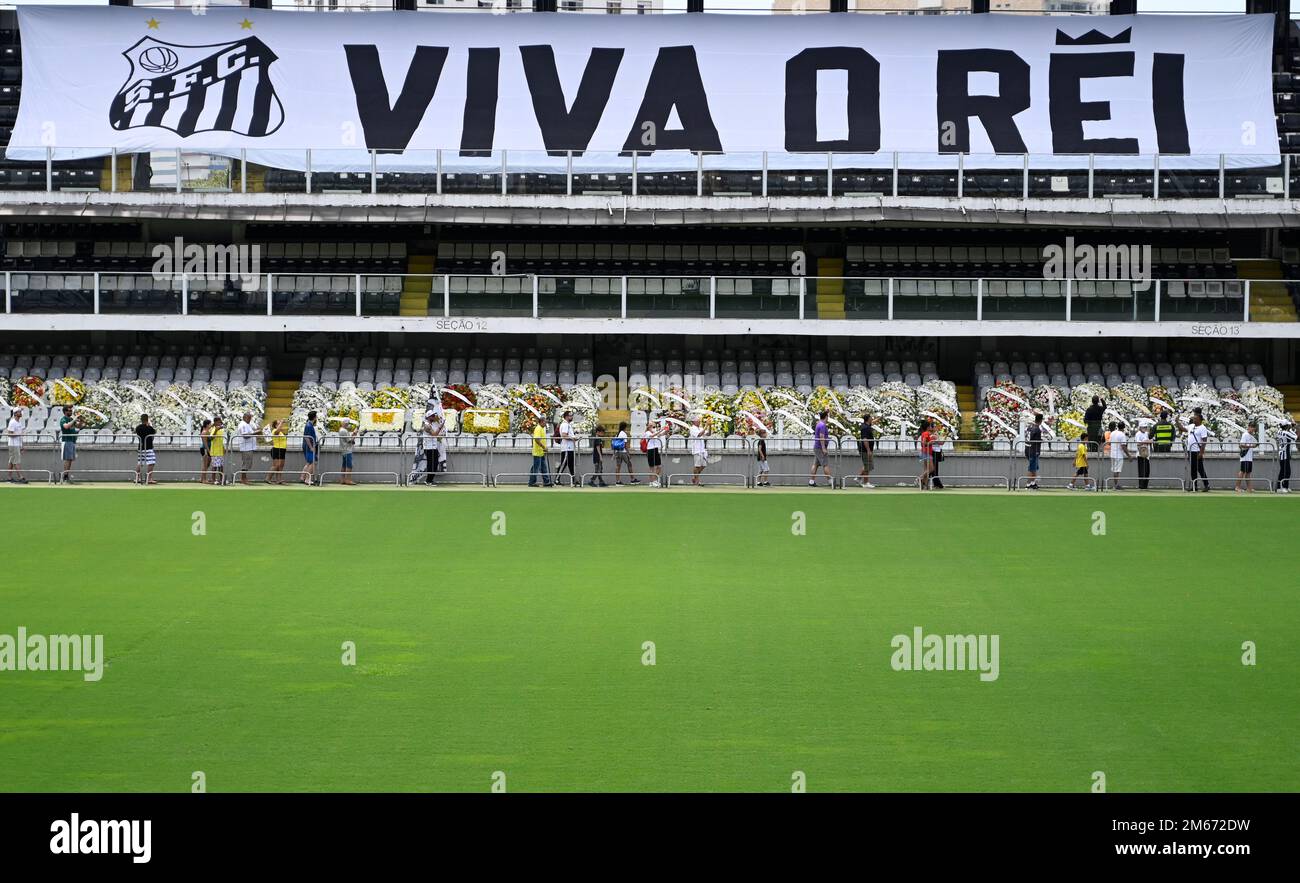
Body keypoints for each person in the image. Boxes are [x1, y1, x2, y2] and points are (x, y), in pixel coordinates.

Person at [1187, 414, 1210, 492]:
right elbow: (1183, 429)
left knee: (1200, 468)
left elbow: (1204, 440)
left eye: (1195, 418)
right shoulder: (1191, 426)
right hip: (1191, 451)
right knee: (1193, 469)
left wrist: (1201, 452)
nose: (1194, 419)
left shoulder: (1203, 428)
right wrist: (1177, 422)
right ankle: (1194, 485)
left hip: (1197, 451)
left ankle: (1206, 485)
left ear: (1200, 419)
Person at [809, 410, 832, 487]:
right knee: (825, 464)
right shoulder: (822, 425)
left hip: (817, 447)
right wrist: (823, 448)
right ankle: (831, 481)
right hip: (820, 448)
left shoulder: (819, 424)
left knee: (815, 464)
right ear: (826, 417)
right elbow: (821, 437)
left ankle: (811, 481)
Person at [134, 413, 157, 485]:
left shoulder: (138, 428)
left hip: (141, 447)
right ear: (147, 419)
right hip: (148, 447)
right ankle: (149, 478)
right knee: (151, 462)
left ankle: (137, 478)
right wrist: (149, 425)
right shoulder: (149, 428)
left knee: (140, 463)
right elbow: (154, 431)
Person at [236, 411, 258, 486]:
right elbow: (245, 436)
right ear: (244, 418)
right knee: (245, 463)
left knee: (247, 463)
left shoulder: (247, 425)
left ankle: (244, 478)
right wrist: (256, 433)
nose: (250, 419)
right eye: (249, 418)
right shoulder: (243, 425)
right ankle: (243, 478)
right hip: (246, 447)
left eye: (250, 418)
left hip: (248, 447)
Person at [6, 408, 27, 484]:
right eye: (19, 411)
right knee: (16, 461)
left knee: (12, 461)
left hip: (17, 444)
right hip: (13, 444)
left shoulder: (19, 422)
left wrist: (22, 445)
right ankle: (20, 477)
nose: (21, 412)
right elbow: (9, 434)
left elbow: (19, 435)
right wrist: (19, 435)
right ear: (15, 413)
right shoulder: (12, 422)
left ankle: (9, 477)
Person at [1235, 421, 1258, 493]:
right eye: (1251, 427)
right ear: (1249, 427)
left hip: (1249, 457)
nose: (1252, 429)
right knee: (1242, 472)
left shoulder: (1251, 436)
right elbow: (1241, 445)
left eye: (1254, 428)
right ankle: (1237, 487)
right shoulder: (1245, 435)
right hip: (1245, 456)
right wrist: (1251, 446)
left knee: (1248, 472)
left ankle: (1249, 488)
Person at [529, 419, 552, 487]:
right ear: (541, 422)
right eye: (545, 422)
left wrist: (544, 447)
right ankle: (532, 482)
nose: (546, 423)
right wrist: (543, 447)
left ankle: (546, 481)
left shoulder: (542, 428)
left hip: (541, 451)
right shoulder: (538, 428)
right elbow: (536, 439)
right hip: (537, 451)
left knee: (543, 467)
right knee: (536, 468)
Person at [1024, 412, 1044, 490]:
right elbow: (1036, 440)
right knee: (1032, 468)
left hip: (1027, 448)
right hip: (1033, 450)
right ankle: (1028, 484)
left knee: (1034, 467)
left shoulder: (1030, 427)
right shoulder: (1037, 429)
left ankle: (1033, 483)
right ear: (1041, 420)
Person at [58, 405, 77, 484]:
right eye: (69, 410)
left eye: (71, 410)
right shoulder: (63, 419)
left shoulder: (71, 419)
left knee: (70, 460)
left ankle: (67, 475)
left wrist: (81, 420)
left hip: (72, 441)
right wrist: (74, 419)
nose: (71, 412)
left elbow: (79, 426)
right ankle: (64, 476)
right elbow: (66, 426)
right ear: (65, 412)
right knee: (67, 459)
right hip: (67, 441)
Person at [265, 419, 288, 484]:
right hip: (277, 449)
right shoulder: (275, 431)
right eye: (278, 424)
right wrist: (282, 422)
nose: (280, 425)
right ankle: (268, 478)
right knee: (276, 465)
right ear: (275, 425)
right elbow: (277, 432)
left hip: (282, 449)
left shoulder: (281, 432)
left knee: (281, 466)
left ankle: (279, 479)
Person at [856, 412, 876, 489]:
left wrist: (880, 419)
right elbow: (865, 439)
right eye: (871, 417)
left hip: (867, 449)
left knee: (866, 465)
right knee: (867, 465)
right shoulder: (865, 428)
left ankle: (858, 478)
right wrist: (868, 450)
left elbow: (873, 422)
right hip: (865, 450)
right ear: (868, 419)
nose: (872, 419)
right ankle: (866, 482)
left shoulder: (867, 425)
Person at [557, 410, 576, 485]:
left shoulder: (568, 424)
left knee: (571, 464)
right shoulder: (565, 425)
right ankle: (557, 479)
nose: (571, 417)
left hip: (570, 448)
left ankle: (573, 479)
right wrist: (573, 438)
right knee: (564, 464)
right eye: (570, 416)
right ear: (566, 417)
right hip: (567, 448)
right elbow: (564, 435)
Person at [645, 412, 665, 487]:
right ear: (648, 426)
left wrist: (665, 431)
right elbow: (653, 435)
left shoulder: (654, 432)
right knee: (652, 467)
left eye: (653, 426)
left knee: (659, 466)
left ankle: (655, 480)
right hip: (650, 450)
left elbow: (659, 434)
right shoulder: (647, 433)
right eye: (652, 426)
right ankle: (652, 481)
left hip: (655, 450)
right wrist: (660, 430)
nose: (653, 427)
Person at [1276, 419, 1295, 494]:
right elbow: (1295, 437)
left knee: (1284, 471)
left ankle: (1285, 486)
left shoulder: (1279, 432)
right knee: (1285, 471)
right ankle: (1280, 487)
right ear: (1286, 426)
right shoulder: (1286, 433)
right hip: (1285, 454)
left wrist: (1289, 428)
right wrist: (1291, 429)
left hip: (1283, 453)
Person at [300, 410, 319, 485]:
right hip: (309, 446)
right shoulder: (309, 425)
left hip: (308, 446)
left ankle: (302, 477)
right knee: (312, 462)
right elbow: (307, 437)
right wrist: (311, 447)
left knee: (308, 462)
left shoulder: (309, 425)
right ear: (314, 417)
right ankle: (307, 479)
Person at [689, 415, 709, 486]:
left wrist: (710, 425)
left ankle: (694, 478)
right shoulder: (692, 428)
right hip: (696, 449)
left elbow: (708, 433)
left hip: (702, 449)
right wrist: (706, 426)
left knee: (703, 465)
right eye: (698, 420)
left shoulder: (700, 428)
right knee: (697, 466)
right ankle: (697, 481)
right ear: (693, 421)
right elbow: (699, 434)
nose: (699, 421)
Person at [420, 410, 439, 485]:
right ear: (428, 417)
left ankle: (430, 479)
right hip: (429, 447)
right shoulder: (427, 425)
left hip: (433, 447)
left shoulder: (431, 424)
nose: (434, 417)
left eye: (434, 415)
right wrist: (440, 427)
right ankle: (429, 480)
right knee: (431, 464)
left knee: (434, 464)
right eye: (432, 416)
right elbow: (434, 434)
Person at [1109, 420, 1128, 490]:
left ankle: (1115, 484)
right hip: (1119, 455)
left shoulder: (1113, 433)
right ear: (1123, 428)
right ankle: (1116, 485)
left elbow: (1109, 442)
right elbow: (1123, 446)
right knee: (1117, 471)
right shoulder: (1122, 435)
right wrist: (1129, 455)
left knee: (1114, 470)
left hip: (1112, 454)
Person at [1134, 422, 1151, 490]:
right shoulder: (1138, 434)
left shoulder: (1146, 433)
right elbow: (1138, 443)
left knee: (1147, 471)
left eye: (1145, 427)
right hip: (1141, 454)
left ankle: (1145, 485)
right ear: (1140, 427)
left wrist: (1148, 441)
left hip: (1146, 454)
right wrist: (1147, 441)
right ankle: (1141, 485)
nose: (1145, 428)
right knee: (1142, 471)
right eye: (1143, 427)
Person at [339, 421, 357, 486]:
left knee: (344, 465)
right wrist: (355, 434)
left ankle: (343, 479)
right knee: (349, 465)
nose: (349, 425)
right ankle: (348, 480)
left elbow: (348, 439)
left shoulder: (342, 430)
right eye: (348, 424)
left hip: (344, 450)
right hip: (347, 450)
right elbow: (350, 441)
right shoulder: (344, 431)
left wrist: (352, 435)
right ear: (346, 424)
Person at [199, 418, 213, 484]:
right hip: (205, 449)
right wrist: (208, 451)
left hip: (208, 449)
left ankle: (202, 478)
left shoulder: (208, 431)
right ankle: (204, 479)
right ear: (207, 425)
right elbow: (205, 443)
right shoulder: (204, 432)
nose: (211, 425)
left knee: (207, 464)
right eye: (210, 424)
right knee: (205, 464)